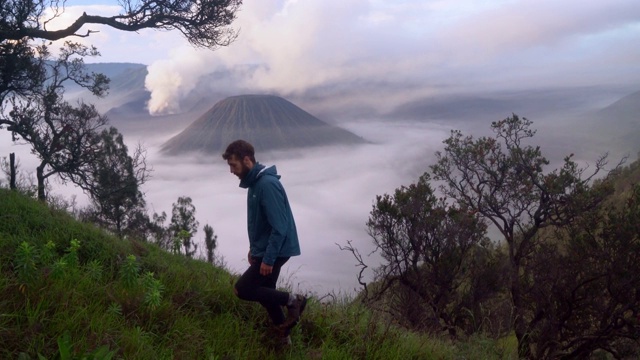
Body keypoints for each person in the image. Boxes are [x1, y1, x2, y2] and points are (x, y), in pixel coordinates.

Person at [222, 139, 307, 346]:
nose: (231, 171)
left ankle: (293, 300)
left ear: (247, 160)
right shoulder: (254, 184)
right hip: (268, 249)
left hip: (277, 250)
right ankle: (283, 338)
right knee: (267, 294)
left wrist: (267, 259)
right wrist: (254, 251)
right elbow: (260, 224)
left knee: (243, 289)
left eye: (233, 165)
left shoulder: (267, 185)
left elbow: (279, 227)